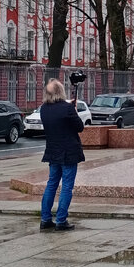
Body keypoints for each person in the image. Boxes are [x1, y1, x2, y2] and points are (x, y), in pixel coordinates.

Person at [39, 79, 84, 231]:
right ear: (60, 92)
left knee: (51, 185)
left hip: (52, 151)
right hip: (69, 152)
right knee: (66, 187)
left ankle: (45, 219)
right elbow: (79, 127)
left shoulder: (43, 109)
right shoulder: (67, 108)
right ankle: (61, 220)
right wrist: (74, 110)